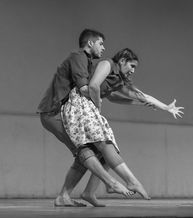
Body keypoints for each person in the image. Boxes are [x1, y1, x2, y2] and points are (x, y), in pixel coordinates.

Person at [61, 48, 184, 203]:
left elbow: (130, 96)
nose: (133, 70)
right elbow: (93, 86)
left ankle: (89, 192)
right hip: (79, 104)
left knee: (110, 147)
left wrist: (166, 107)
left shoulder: (118, 80)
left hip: (89, 107)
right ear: (123, 60)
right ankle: (130, 181)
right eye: (132, 66)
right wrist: (98, 104)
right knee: (104, 143)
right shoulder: (107, 64)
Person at [37, 29, 133, 207]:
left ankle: (64, 196)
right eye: (100, 43)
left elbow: (100, 91)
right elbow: (84, 89)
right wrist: (97, 103)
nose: (103, 48)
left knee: (86, 151)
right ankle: (110, 183)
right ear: (90, 43)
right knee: (84, 151)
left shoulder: (88, 62)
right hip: (53, 112)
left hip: (61, 113)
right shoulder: (78, 56)